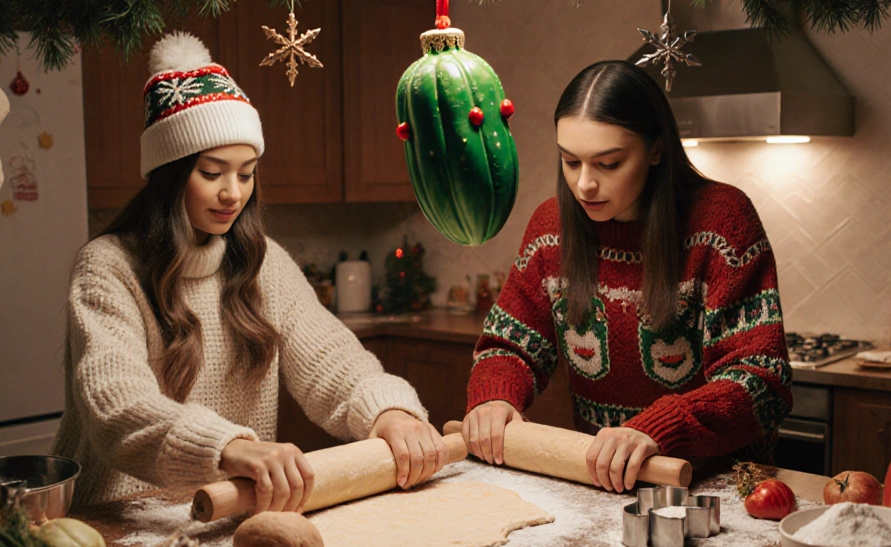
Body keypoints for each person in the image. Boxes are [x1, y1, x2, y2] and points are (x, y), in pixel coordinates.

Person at [52, 32, 446, 511]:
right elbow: (116, 405)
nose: (233, 193)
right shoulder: (108, 268)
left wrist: (389, 412)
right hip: (118, 518)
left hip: (225, 513)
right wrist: (227, 448)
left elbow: (332, 360)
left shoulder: (264, 264)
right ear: (169, 175)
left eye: (246, 172)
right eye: (212, 173)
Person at [461, 60, 792, 493]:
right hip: (606, 486)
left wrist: (659, 427)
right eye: (570, 161)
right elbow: (510, 347)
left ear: (656, 149)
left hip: (719, 490)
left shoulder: (723, 222)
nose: (584, 184)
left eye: (609, 163)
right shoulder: (550, 228)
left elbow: (762, 381)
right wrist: (495, 394)